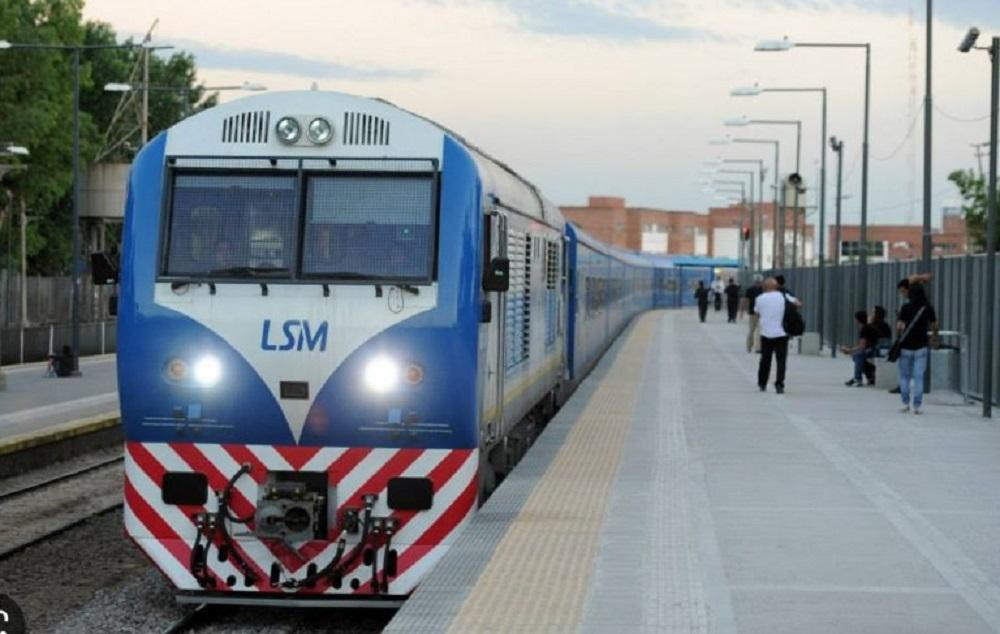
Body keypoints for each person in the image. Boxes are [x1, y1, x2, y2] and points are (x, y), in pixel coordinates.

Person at [896, 283, 939, 414]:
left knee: (904, 376)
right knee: (919, 377)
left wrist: (900, 336)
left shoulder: (905, 307)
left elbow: (899, 326)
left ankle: (905, 404)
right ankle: (917, 406)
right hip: (921, 346)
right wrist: (934, 337)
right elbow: (935, 325)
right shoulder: (928, 308)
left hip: (906, 346)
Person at [754, 277, 802, 393]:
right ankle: (779, 384)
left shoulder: (759, 298)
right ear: (776, 286)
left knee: (765, 360)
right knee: (781, 361)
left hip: (765, 333)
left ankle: (762, 383)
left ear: (764, 287)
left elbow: (757, 312)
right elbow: (799, 304)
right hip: (781, 333)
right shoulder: (783, 296)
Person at [841, 310, 881, 386]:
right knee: (859, 356)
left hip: (875, 349)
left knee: (858, 356)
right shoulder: (869, 327)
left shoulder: (864, 329)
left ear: (857, 320)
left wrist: (849, 350)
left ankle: (857, 378)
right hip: (879, 348)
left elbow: (862, 346)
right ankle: (870, 375)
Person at [740, 274, 764, 353]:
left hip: (752, 312)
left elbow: (745, 301)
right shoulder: (764, 290)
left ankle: (749, 347)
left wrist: (742, 311)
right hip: (761, 313)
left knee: (751, 330)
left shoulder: (749, 290)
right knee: (759, 331)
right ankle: (758, 348)